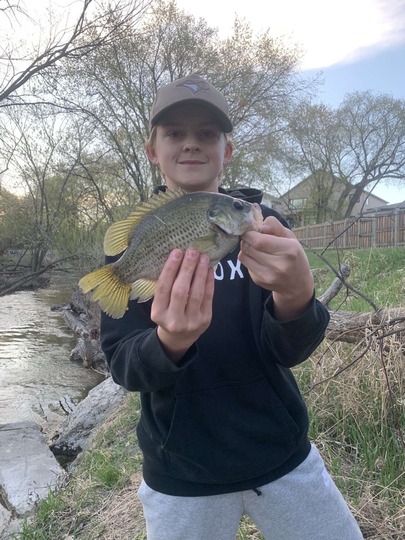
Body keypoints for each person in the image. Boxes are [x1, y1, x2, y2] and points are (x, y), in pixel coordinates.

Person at [100, 73, 363, 539]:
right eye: (174, 133)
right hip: (181, 473)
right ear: (152, 150)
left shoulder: (265, 228)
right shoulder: (137, 244)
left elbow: (289, 351)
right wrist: (170, 342)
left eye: (207, 133)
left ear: (228, 149)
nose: (191, 144)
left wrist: (297, 296)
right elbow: (124, 366)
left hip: (280, 452)